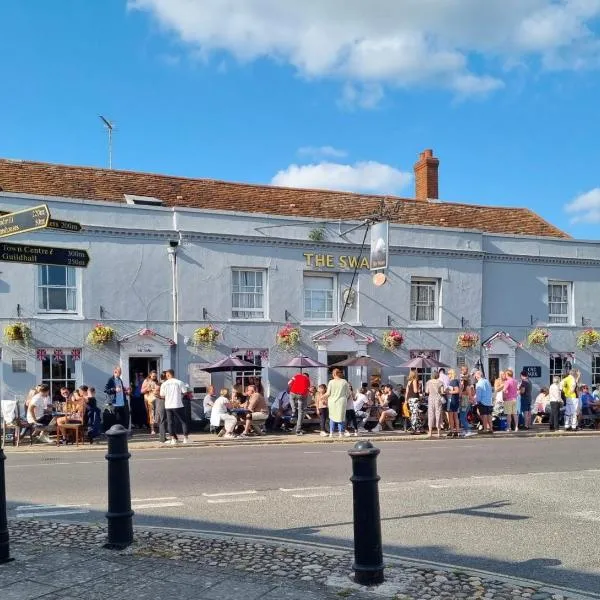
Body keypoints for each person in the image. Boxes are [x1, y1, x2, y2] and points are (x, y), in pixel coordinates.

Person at [159, 369, 189, 445]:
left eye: (166, 374)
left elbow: (162, 396)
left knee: (170, 422)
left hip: (168, 405)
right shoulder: (179, 382)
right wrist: (180, 396)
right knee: (183, 421)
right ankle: (185, 438)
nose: (165, 376)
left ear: (168, 375)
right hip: (178, 404)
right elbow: (185, 392)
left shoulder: (164, 384)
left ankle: (173, 439)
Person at [323, 368, 350, 438]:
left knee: (332, 417)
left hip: (332, 402)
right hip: (341, 401)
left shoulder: (331, 382)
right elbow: (348, 393)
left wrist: (322, 397)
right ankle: (341, 433)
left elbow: (328, 393)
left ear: (334, 374)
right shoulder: (344, 382)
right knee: (341, 417)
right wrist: (345, 397)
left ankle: (331, 433)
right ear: (339, 373)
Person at [289, 370, 311, 436]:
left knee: (291, 398)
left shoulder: (297, 376)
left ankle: (293, 410)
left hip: (293, 393)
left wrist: (294, 385)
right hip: (301, 395)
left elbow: (289, 383)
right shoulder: (308, 380)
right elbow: (308, 388)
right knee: (301, 412)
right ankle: (298, 430)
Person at [426, 370, 445, 439]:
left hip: (431, 399)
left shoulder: (428, 382)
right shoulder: (440, 382)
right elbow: (442, 392)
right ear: (438, 375)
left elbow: (427, 391)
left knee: (431, 415)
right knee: (438, 414)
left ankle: (430, 432)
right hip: (438, 399)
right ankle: (439, 432)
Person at [141, 371, 160, 435]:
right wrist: (147, 389)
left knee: (157, 413)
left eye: (155, 376)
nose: (154, 377)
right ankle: (152, 429)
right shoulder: (146, 381)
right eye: (153, 376)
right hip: (149, 399)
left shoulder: (156, 381)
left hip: (156, 399)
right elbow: (141, 391)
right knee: (151, 414)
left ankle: (159, 428)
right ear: (150, 375)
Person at [445, 369, 460, 438]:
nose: (448, 375)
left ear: (451, 374)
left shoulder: (453, 381)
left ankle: (452, 431)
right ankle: (457, 431)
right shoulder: (455, 381)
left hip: (452, 400)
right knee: (455, 416)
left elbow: (457, 391)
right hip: (455, 400)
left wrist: (448, 392)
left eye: (448, 373)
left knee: (451, 416)